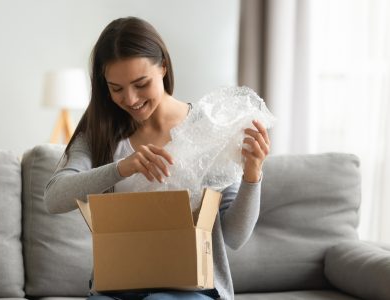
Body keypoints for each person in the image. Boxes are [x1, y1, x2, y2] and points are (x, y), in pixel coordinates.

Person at [44, 16, 270, 300]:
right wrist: (121, 168)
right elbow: (53, 198)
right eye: (116, 88)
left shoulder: (208, 129)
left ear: (163, 66)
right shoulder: (99, 133)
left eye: (141, 83)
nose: (130, 98)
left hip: (193, 290)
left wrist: (252, 176)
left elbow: (234, 237)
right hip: (118, 288)